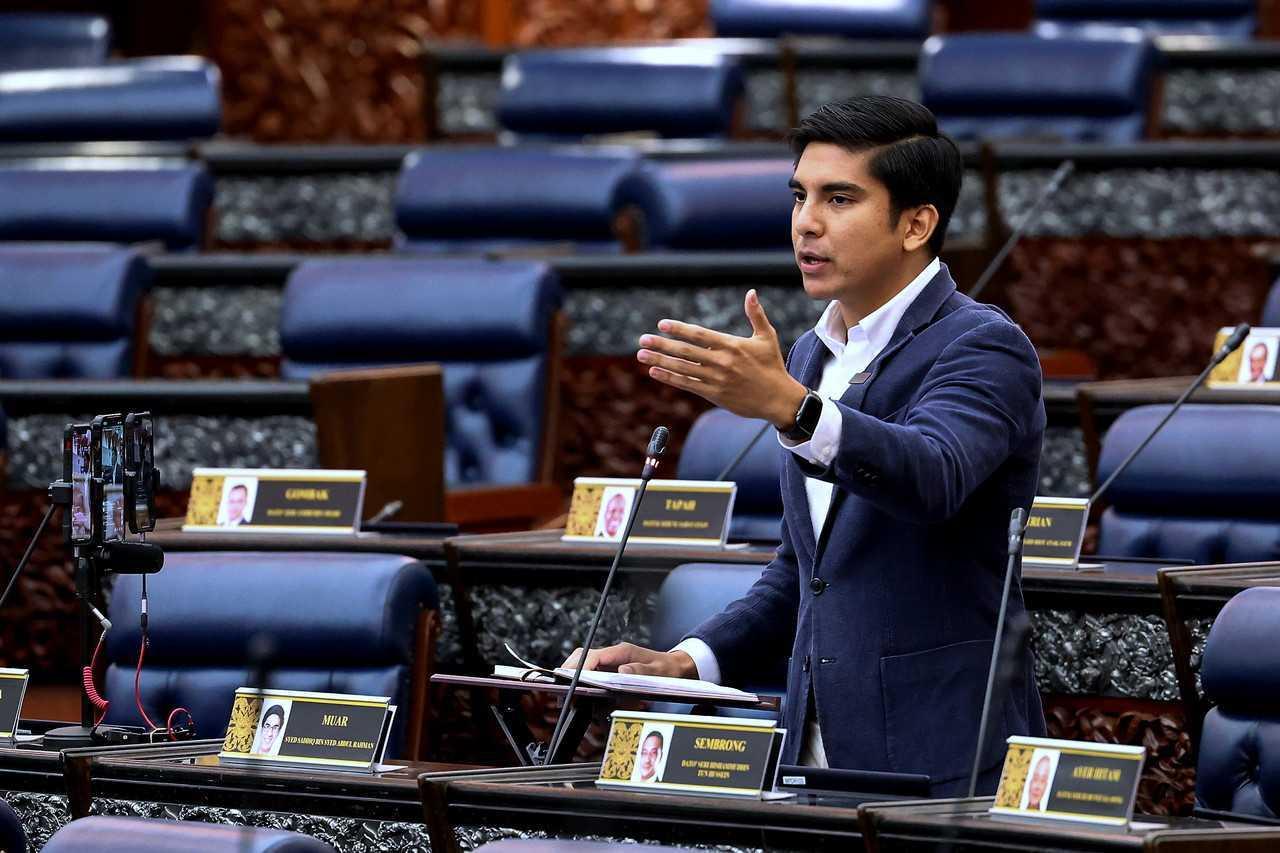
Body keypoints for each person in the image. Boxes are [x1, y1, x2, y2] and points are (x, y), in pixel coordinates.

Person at [566, 96, 1046, 796]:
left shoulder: (981, 345)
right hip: (812, 761)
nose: (806, 222)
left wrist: (792, 407)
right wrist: (689, 659)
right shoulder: (811, 356)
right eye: (799, 195)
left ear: (917, 223)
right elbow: (806, 574)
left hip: (942, 762)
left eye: (839, 198)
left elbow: (932, 473)